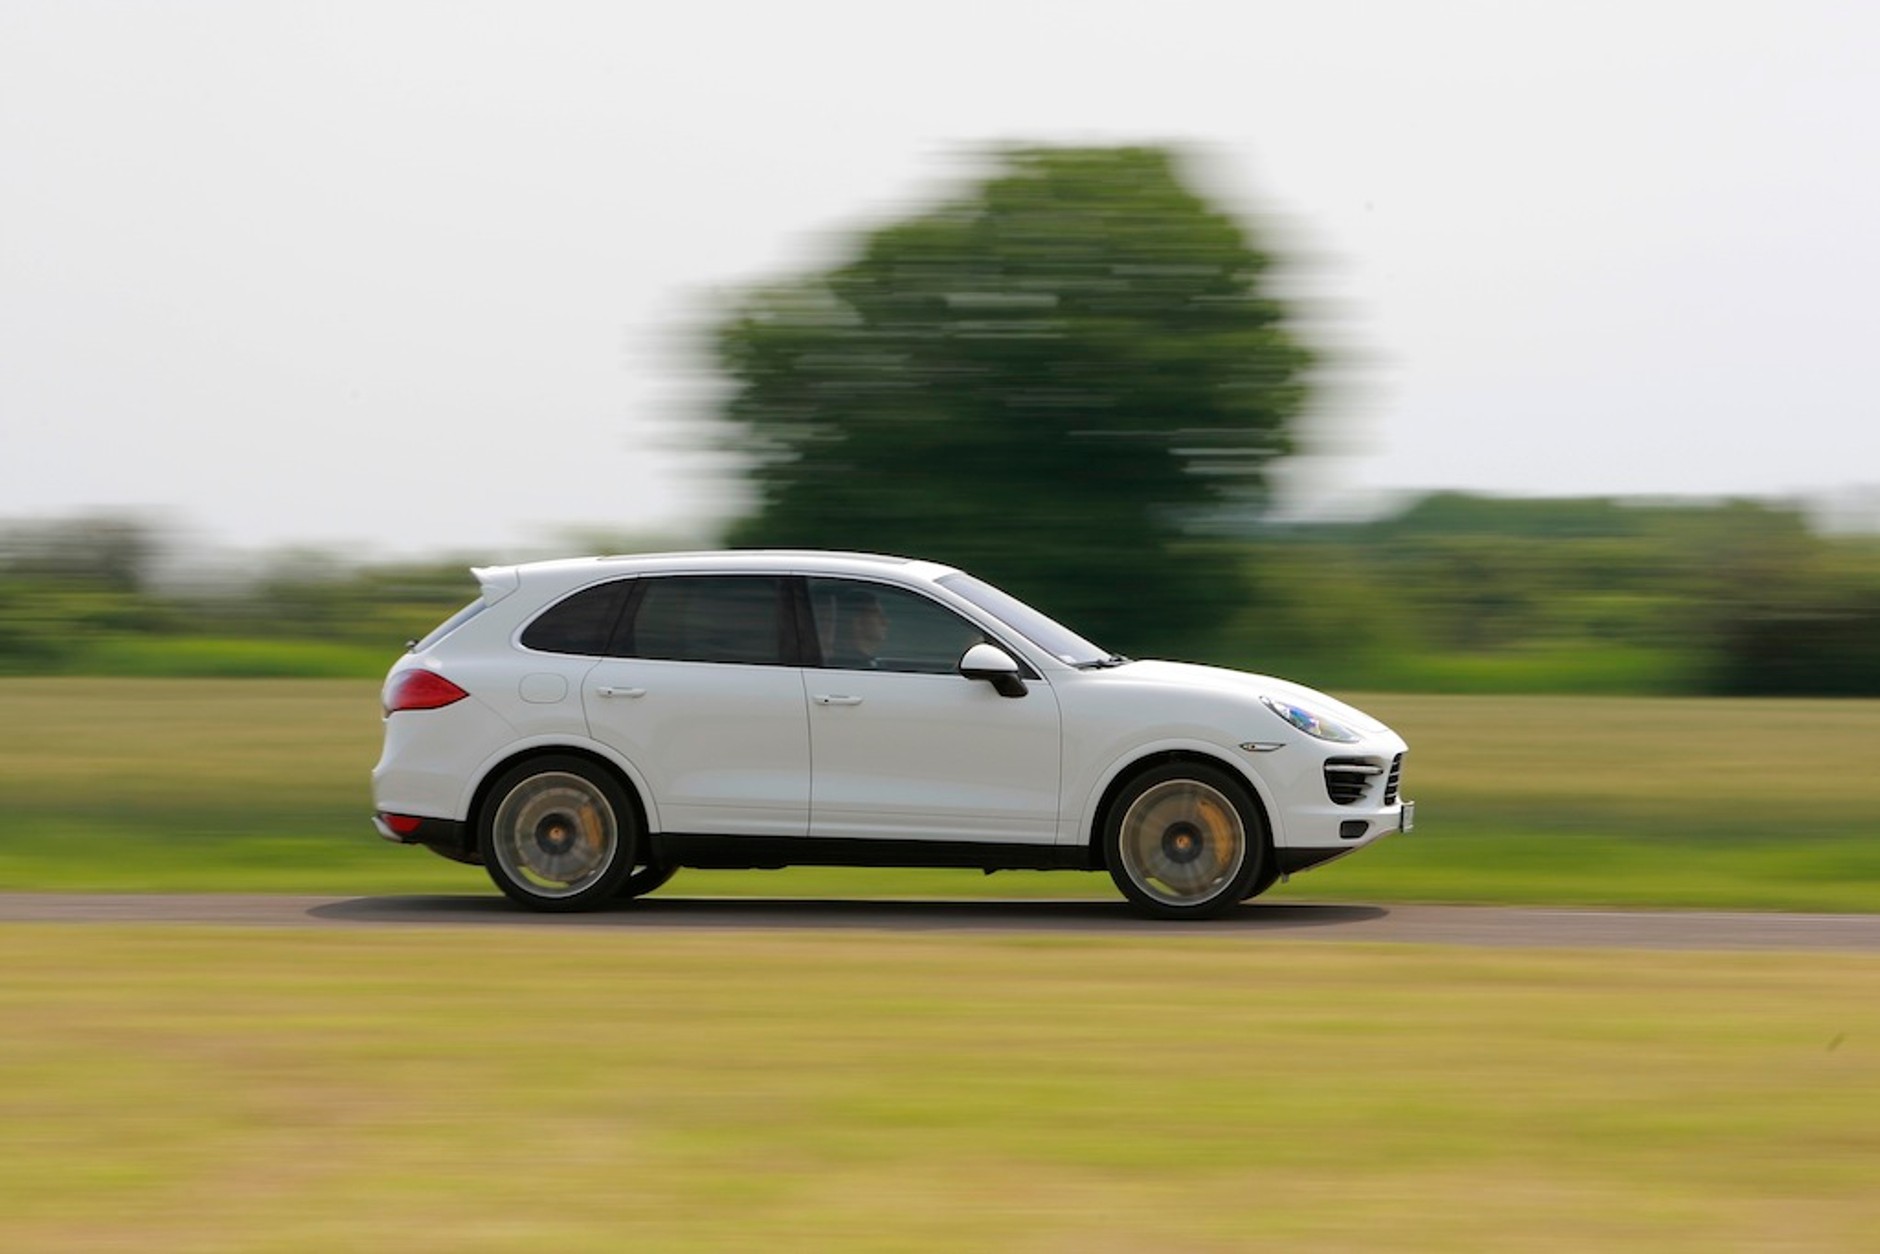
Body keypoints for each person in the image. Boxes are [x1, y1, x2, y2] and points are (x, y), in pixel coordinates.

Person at [825, 586, 888, 668]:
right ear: (857, 622)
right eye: (877, 614)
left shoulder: (868, 663)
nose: (885, 622)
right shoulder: (848, 666)